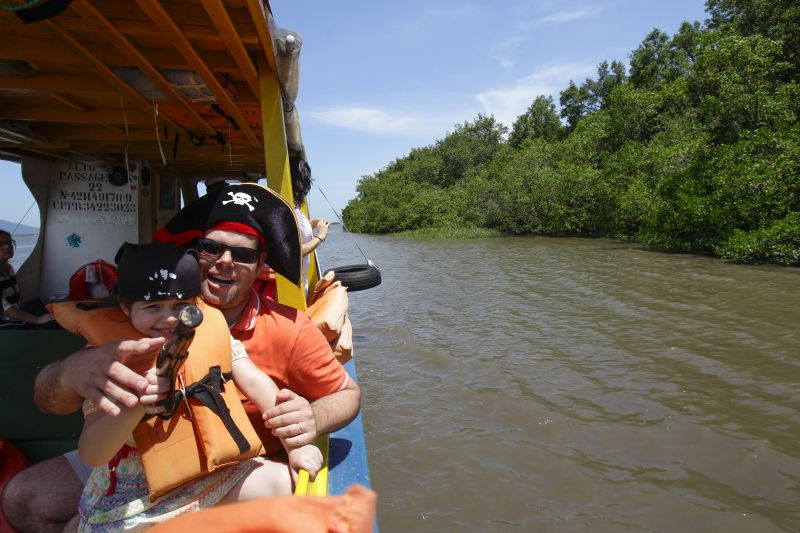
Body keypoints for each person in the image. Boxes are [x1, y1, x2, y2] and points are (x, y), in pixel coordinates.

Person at [3, 184, 360, 532]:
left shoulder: (288, 328)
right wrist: (69, 373)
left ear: (260, 263)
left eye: (243, 254)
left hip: (222, 465)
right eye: (211, 248)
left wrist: (306, 423)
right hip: (127, 464)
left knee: (291, 493)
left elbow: (347, 395)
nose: (225, 262)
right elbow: (59, 411)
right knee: (25, 501)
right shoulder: (125, 336)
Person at [58, 242, 321, 531]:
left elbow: (259, 385)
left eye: (181, 305)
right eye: (153, 307)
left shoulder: (215, 333)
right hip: (138, 492)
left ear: (196, 303)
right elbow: (92, 453)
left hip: (215, 473)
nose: (170, 318)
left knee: (289, 486)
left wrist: (295, 446)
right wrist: (136, 406)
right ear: (124, 306)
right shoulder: (107, 359)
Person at [289, 157, 329, 294]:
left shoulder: (294, 209)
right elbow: (295, 251)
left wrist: (309, 225)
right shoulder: (287, 209)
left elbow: (295, 231)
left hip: (300, 287)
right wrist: (320, 236)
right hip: (293, 292)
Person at [0, 229, 53, 326]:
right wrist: (37, 319)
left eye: (9, 242)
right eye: (1, 244)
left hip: (17, 316)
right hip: (6, 326)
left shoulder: (9, 269)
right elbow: (5, 308)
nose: (7, 246)